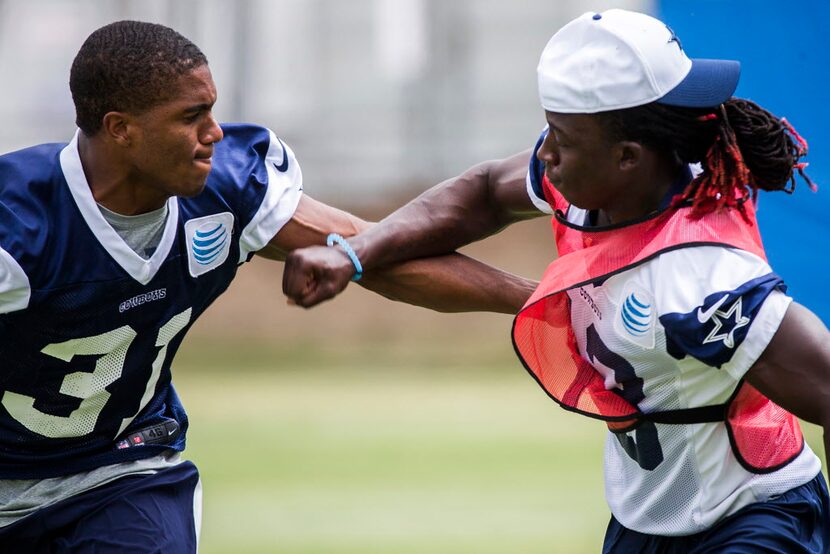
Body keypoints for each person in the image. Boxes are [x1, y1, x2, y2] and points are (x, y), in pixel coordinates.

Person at [283, 9, 830, 552]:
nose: (544, 154)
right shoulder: (597, 184)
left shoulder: (707, 277)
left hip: (754, 516)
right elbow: (481, 192)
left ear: (626, 157)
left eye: (562, 140)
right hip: (647, 520)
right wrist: (353, 252)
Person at [0, 20, 537, 552]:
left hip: (122, 469)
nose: (214, 133)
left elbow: (378, 255)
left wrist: (539, 300)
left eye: (211, 110)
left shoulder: (228, 188)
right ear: (121, 128)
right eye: (192, 117)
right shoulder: (18, 227)